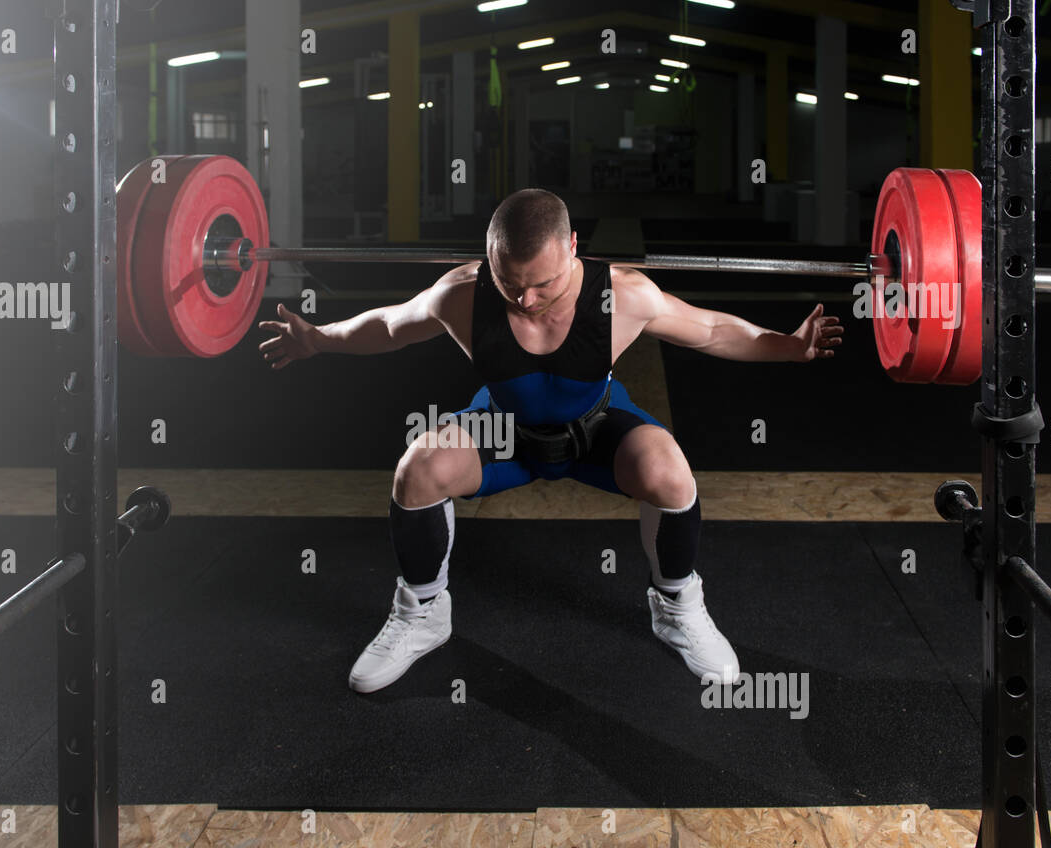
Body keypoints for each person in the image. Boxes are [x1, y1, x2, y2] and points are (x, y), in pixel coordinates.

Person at [258, 189, 842, 694]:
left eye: (542, 283)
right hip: (504, 431)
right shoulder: (462, 293)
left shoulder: (624, 296)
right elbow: (389, 326)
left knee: (671, 473)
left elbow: (712, 330)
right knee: (419, 467)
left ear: (573, 248)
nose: (526, 299)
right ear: (489, 259)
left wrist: (787, 345)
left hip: (595, 430)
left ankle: (676, 606)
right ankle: (423, 614)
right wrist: (320, 339)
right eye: (511, 283)